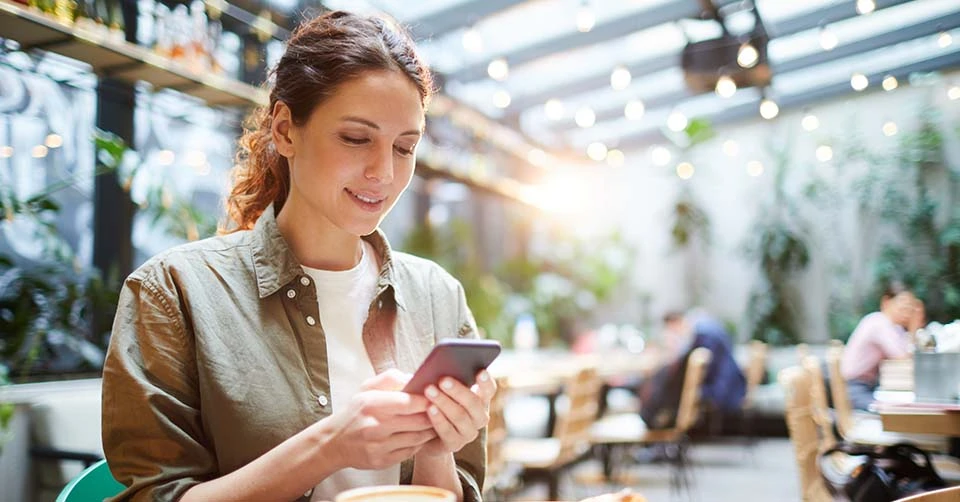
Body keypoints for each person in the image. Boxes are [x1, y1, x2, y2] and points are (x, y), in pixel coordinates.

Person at [101, 11, 495, 502]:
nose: (384, 172)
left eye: (404, 147)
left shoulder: (437, 296)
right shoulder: (174, 293)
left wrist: (435, 447)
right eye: (356, 138)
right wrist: (330, 445)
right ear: (285, 131)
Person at [637, 310, 746, 429]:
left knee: (661, 380)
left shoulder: (703, 335)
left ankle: (650, 419)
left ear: (675, 322)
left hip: (721, 389)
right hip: (727, 384)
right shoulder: (704, 327)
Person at [841, 281, 920, 411]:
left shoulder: (894, 328)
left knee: (900, 406)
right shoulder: (878, 322)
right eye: (903, 307)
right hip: (854, 389)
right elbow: (902, 357)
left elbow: (908, 353)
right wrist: (914, 327)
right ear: (886, 302)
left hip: (867, 387)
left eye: (910, 309)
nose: (907, 313)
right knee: (892, 411)